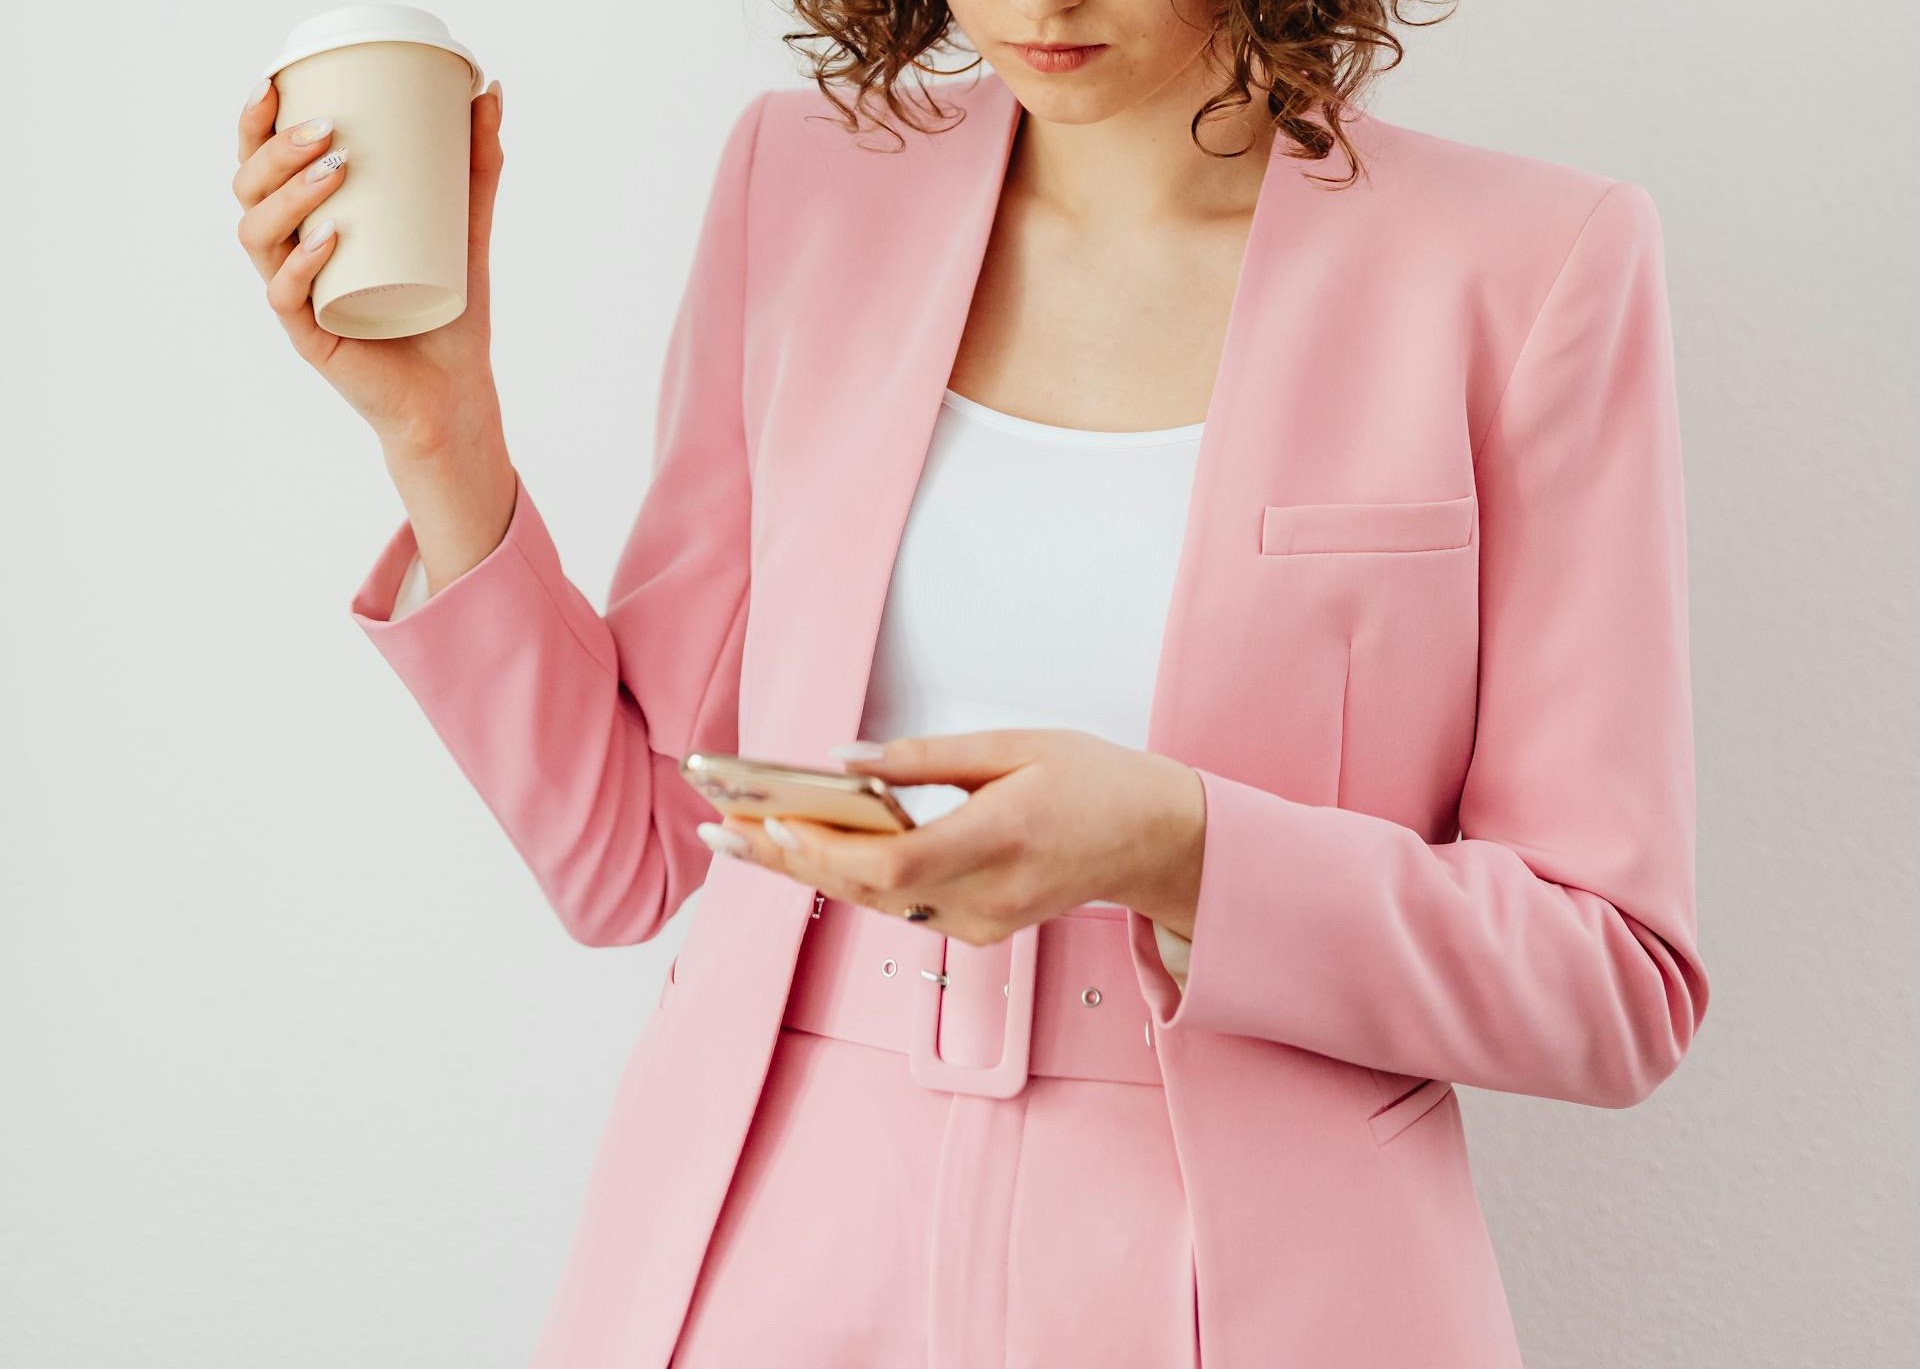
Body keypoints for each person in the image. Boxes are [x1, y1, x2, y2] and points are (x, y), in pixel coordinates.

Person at [230, 1, 1710, 1364]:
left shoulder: (1528, 262)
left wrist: (1178, 844)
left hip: (1252, 1272)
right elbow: (624, 849)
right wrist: (437, 431)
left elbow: (1612, 977)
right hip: (770, 1238)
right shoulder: (802, 184)